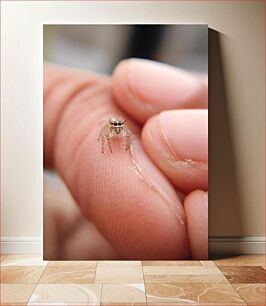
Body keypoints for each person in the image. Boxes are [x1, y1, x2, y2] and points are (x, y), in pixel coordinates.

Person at [43, 59, 208, 260]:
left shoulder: (122, 129)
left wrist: (126, 146)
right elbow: (103, 133)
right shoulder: (105, 127)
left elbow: (126, 135)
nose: (117, 128)